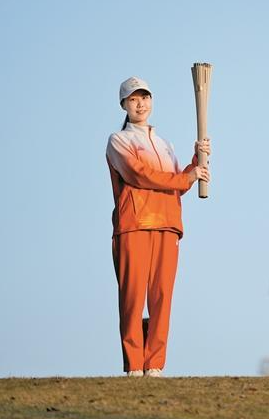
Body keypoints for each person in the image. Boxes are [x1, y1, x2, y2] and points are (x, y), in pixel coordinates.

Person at [105, 76, 210, 377]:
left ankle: (155, 365)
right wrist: (185, 178)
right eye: (133, 99)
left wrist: (196, 162)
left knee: (162, 297)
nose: (140, 104)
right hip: (134, 224)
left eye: (145, 97)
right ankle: (134, 366)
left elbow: (178, 183)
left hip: (168, 225)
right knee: (133, 297)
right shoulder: (119, 141)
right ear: (124, 105)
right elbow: (140, 175)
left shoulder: (165, 144)